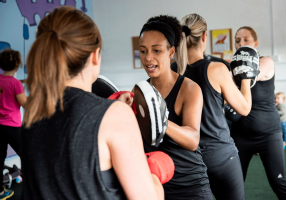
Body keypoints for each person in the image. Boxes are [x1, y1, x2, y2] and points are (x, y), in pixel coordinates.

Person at [21, 6, 163, 200]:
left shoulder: (33, 113)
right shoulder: (116, 116)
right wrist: (154, 173)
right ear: (95, 56)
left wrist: (108, 109)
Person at [171, 13, 253, 200]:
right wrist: (246, 79)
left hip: (187, 159)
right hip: (220, 156)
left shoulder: (171, 71)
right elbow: (245, 108)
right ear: (205, 36)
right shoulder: (215, 68)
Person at [138, 15, 213, 200]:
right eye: (143, 51)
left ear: (171, 52)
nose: (148, 58)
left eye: (156, 50)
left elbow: (193, 139)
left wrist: (159, 119)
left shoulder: (189, 88)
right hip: (156, 185)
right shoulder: (141, 90)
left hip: (190, 186)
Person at [231, 26, 286, 200]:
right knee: (233, 185)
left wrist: (231, 72)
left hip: (269, 134)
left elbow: (253, 74)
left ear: (255, 43)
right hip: (240, 136)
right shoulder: (231, 69)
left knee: (279, 184)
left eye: (246, 40)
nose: (241, 43)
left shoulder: (266, 61)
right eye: (237, 40)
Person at [0, 49, 26, 200]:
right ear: (17, 65)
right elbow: (25, 104)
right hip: (12, 127)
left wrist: (21, 84)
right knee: (27, 154)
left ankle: (1, 192)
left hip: (0, 126)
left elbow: (6, 88)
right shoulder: (16, 85)